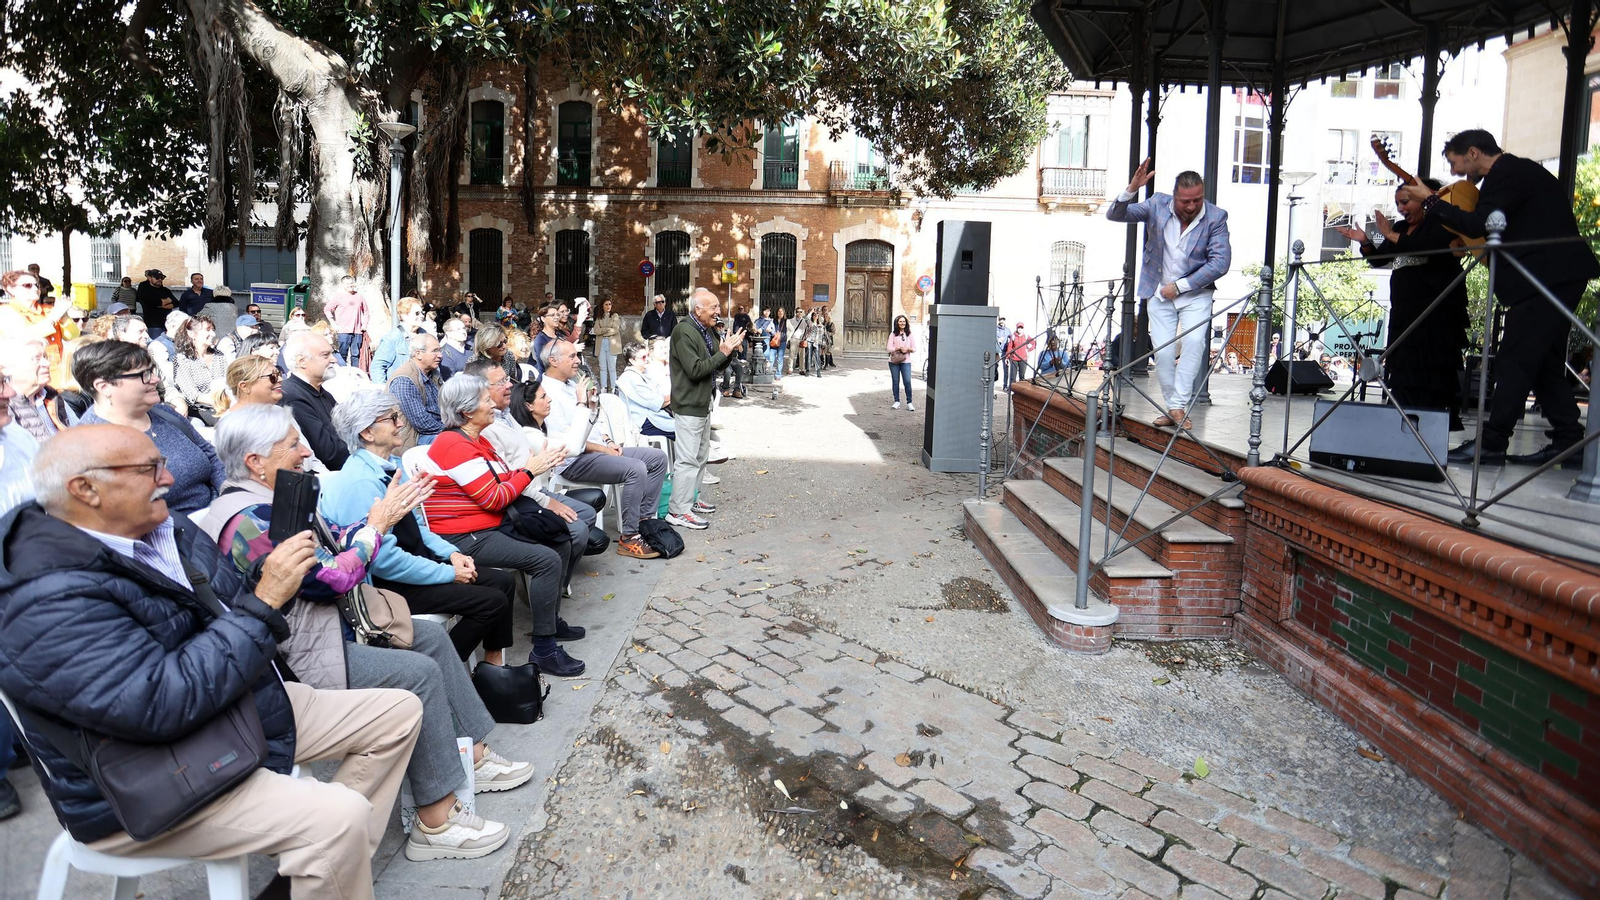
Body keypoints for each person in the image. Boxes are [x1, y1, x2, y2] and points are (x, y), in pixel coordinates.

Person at [0, 425, 426, 899]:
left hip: (227, 709)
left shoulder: (165, 526)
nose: (168, 479)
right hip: (146, 778)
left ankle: (316, 870)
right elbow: (156, 705)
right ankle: (325, 852)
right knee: (337, 817)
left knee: (398, 712)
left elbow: (232, 607)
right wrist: (265, 601)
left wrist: (274, 582)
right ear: (85, 489)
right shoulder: (46, 596)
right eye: (149, 469)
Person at [197, 407, 525, 863]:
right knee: (417, 673)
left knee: (429, 639)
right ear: (255, 461)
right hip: (298, 655)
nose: (306, 451)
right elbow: (329, 579)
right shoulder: (248, 519)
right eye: (291, 445)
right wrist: (376, 527)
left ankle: (473, 753)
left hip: (328, 631)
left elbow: (336, 541)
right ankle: (435, 820)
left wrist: (378, 520)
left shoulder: (272, 500)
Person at [1398, 129, 1600, 466]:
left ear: (1473, 153)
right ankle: (1570, 441)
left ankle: (1491, 444)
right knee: (1542, 363)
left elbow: (1478, 225)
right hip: (1552, 277)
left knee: (1514, 359)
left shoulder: (1506, 173)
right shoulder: (1516, 172)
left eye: (1455, 163)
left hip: (1545, 279)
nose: (1455, 172)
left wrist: (1431, 201)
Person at [422, 375, 586, 676]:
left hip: (488, 525)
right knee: (546, 559)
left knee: (560, 539)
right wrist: (529, 471)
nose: (493, 406)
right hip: (464, 536)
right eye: (486, 400)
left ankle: (549, 622)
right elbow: (495, 498)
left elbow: (501, 479)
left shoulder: (476, 439)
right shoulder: (453, 444)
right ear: (466, 412)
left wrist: (534, 467)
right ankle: (544, 649)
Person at [1107, 161, 1233, 427]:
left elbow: (1220, 263)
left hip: (1195, 292)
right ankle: (1174, 408)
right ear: (1174, 196)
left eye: (1197, 200)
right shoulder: (1157, 205)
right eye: (1185, 201)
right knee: (1163, 352)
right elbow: (1115, 215)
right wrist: (1132, 189)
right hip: (1159, 291)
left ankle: (1177, 407)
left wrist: (1180, 286)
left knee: (1195, 342)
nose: (1191, 206)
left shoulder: (1216, 217)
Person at [1339, 181, 1470, 431]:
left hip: (1433, 316)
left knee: (1431, 370)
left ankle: (1430, 425)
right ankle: (1403, 423)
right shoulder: (1399, 228)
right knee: (1402, 368)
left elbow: (1424, 246)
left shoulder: (1440, 226)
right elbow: (1381, 259)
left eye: (1405, 202)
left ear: (1423, 199)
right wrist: (1365, 241)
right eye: (1398, 203)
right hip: (1404, 313)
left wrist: (1389, 234)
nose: (1400, 208)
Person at [473, 362, 604, 593]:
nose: (509, 385)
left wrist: (590, 411)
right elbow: (572, 448)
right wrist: (581, 405)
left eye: (508, 379)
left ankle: (556, 580)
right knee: (577, 530)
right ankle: (549, 582)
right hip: (522, 497)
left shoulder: (508, 417)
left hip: (532, 490)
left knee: (586, 516)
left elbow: (575, 444)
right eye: (501, 382)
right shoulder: (493, 428)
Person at [540, 340, 671, 551]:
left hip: (600, 451)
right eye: (572, 356)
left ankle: (644, 520)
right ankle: (629, 537)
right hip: (574, 460)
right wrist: (604, 448)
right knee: (636, 468)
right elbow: (568, 443)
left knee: (657, 458)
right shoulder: (546, 393)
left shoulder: (572, 384)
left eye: (576, 355)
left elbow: (595, 422)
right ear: (553, 361)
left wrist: (609, 441)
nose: (578, 360)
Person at [74, 340, 224, 514]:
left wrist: (230, 494)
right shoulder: (88, 447)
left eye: (152, 370)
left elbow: (211, 455)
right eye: (143, 374)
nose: (155, 379)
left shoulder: (164, 413)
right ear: (104, 387)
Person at [667, 288, 740, 530]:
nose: (718, 311)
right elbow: (696, 369)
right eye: (713, 307)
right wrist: (723, 352)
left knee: (700, 458)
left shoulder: (705, 329)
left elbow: (715, 364)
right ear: (698, 309)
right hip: (689, 404)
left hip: (703, 401)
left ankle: (691, 499)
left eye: (718, 307)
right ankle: (678, 511)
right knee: (687, 460)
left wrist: (729, 351)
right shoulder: (683, 331)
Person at [0, 357, 35, 821]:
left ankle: (24, 735)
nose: (8, 393)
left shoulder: (17, 437)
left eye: (4, 381)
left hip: (28, 566)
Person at [280, 331, 350, 469]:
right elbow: (327, 453)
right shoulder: (291, 397)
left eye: (332, 353)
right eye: (325, 355)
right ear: (302, 361)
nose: (334, 360)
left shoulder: (322, 393)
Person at [0, 268, 79, 386]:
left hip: (58, 375)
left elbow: (73, 335)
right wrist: (55, 316)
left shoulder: (48, 310)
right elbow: (27, 337)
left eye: (37, 285)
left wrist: (63, 315)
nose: (35, 289)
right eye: (27, 285)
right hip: (30, 377)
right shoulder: (6, 312)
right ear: (11, 289)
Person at [389, 332, 446, 448]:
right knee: (455, 443)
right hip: (414, 438)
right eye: (435, 351)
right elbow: (422, 422)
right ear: (418, 354)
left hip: (434, 429)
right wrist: (452, 431)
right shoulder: (404, 380)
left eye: (440, 350)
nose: (440, 355)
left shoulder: (433, 373)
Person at [171, 314, 228, 425]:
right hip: (199, 409)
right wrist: (218, 401)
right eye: (208, 330)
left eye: (213, 330)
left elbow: (227, 382)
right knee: (229, 421)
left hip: (223, 403)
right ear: (192, 334)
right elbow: (191, 394)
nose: (213, 334)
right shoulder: (183, 359)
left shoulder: (219, 355)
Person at [3, 338, 64, 440]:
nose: (47, 363)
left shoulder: (51, 394)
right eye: (36, 359)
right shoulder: (5, 406)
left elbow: (77, 430)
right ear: (10, 369)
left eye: (45, 357)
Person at [617, 341, 675, 439]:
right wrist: (678, 394)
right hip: (646, 421)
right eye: (643, 357)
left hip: (648, 418)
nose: (647, 359)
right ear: (632, 360)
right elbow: (658, 403)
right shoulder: (632, 378)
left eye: (648, 355)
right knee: (686, 431)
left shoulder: (636, 375)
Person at [371, 297, 428, 384]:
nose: (422, 316)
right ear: (403, 316)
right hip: (402, 388)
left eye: (422, 313)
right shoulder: (392, 338)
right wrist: (385, 390)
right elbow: (377, 367)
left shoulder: (425, 334)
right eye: (417, 313)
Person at [325, 275, 370, 366]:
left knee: (356, 355)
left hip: (357, 332)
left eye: (351, 283)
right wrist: (333, 324)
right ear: (343, 285)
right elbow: (327, 309)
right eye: (347, 284)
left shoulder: (359, 296)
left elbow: (366, 312)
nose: (350, 285)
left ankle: (356, 373)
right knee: (342, 355)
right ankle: (342, 372)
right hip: (343, 331)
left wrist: (364, 325)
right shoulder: (338, 296)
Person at [471, 322, 520, 386]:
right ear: (486, 345)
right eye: (499, 344)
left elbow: (513, 380)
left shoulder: (508, 355)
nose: (504, 346)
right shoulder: (474, 361)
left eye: (505, 341)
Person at [591, 297, 622, 392]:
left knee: (612, 367)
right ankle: (603, 387)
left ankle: (613, 387)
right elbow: (596, 330)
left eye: (610, 304)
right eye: (606, 304)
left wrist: (603, 331)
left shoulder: (615, 316)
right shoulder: (599, 317)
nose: (608, 306)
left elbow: (615, 330)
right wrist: (607, 330)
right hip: (601, 343)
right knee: (602, 367)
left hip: (611, 343)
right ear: (602, 306)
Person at [135, 268, 176, 338]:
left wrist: (162, 304)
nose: (160, 279)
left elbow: (176, 303)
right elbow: (155, 303)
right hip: (154, 324)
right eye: (157, 278)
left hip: (168, 324)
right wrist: (168, 301)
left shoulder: (165, 290)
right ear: (150, 278)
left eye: (161, 278)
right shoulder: (145, 290)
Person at [887, 315, 916, 410]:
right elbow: (889, 348)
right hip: (894, 361)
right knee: (895, 381)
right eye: (900, 321)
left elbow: (914, 348)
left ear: (906, 323)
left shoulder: (909, 334)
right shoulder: (893, 334)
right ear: (897, 323)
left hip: (906, 361)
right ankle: (897, 401)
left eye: (904, 321)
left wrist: (908, 349)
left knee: (907, 381)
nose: (902, 323)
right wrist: (898, 348)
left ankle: (909, 402)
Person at [1004, 322, 1035, 389]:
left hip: (1023, 358)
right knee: (1013, 376)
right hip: (1014, 358)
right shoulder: (1013, 336)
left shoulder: (1026, 336)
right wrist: (1007, 357)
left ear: (1023, 329)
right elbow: (1009, 347)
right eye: (1018, 328)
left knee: (1022, 376)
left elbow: (1034, 343)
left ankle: (1021, 391)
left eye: (1021, 328)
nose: (1020, 329)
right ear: (1016, 328)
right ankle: (1012, 389)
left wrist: (1028, 350)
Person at [769, 306, 790, 388]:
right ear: (777, 312)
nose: (780, 313)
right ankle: (769, 373)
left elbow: (791, 329)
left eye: (781, 311)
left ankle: (778, 374)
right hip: (774, 341)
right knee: (771, 358)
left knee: (780, 359)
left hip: (782, 342)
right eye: (779, 311)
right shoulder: (773, 320)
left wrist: (786, 337)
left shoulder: (786, 321)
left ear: (784, 313)